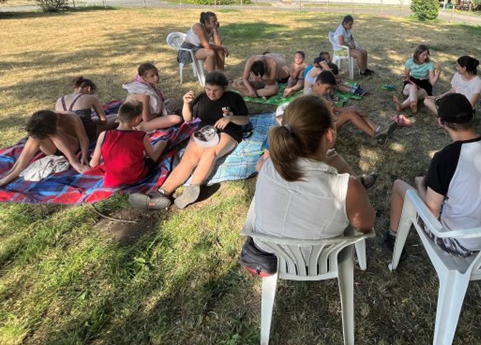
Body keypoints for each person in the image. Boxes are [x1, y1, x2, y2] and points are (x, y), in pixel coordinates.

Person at [241, 95, 376, 275]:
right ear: (329, 135)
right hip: (318, 261)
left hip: (267, 254)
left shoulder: (268, 166)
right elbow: (365, 226)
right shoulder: (347, 188)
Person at [383, 93, 481, 257]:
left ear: (440, 122)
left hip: (462, 243)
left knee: (399, 185)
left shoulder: (446, 158)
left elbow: (432, 212)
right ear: (472, 116)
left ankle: (393, 237)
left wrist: (420, 184)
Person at [129, 71, 250, 210]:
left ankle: (193, 189)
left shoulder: (233, 98)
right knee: (188, 159)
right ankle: (161, 193)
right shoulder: (202, 99)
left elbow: (245, 119)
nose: (211, 93)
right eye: (208, 89)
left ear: (224, 88)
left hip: (228, 132)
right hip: (204, 132)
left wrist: (230, 118)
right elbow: (188, 118)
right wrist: (186, 103)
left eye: (216, 90)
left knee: (210, 153)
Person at [0, 111, 90, 186]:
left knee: (55, 132)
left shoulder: (71, 117)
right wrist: (15, 167)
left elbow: (83, 138)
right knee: (35, 136)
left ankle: (73, 161)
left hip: (72, 147)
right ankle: (17, 170)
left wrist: (84, 155)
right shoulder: (42, 121)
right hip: (54, 151)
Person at [90, 101, 168, 187]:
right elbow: (151, 154)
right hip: (137, 176)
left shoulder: (104, 134)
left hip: (111, 181)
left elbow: (93, 164)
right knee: (162, 143)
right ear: (137, 119)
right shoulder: (141, 135)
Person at [309, 71, 396, 145]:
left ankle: (378, 129)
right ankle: (377, 136)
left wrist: (352, 110)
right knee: (350, 114)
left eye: (330, 89)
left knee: (353, 109)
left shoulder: (322, 94)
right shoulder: (311, 99)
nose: (328, 91)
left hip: (330, 122)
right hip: (322, 131)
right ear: (318, 84)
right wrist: (342, 112)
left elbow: (336, 108)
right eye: (327, 88)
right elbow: (332, 118)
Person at [123, 63, 183, 131]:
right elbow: (146, 118)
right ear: (143, 78)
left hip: (147, 115)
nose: (156, 77)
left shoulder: (148, 85)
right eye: (152, 76)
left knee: (171, 102)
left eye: (157, 74)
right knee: (176, 119)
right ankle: (140, 127)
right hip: (141, 121)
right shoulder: (144, 92)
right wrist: (159, 114)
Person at [55, 76, 113, 142]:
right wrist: (94, 121)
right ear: (89, 88)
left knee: (100, 117)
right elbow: (104, 121)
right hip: (86, 132)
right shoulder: (90, 98)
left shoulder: (60, 100)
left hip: (67, 134)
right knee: (116, 117)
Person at [393, 44, 440, 114]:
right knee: (413, 87)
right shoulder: (410, 62)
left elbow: (432, 83)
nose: (425, 57)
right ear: (417, 54)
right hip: (411, 82)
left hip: (424, 84)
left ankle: (402, 106)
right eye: (423, 55)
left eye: (427, 55)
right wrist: (405, 77)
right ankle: (413, 105)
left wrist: (438, 71)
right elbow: (406, 76)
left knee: (415, 94)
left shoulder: (429, 64)